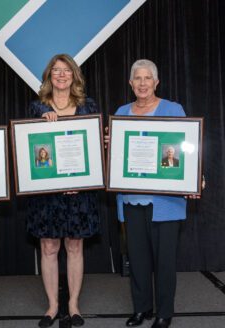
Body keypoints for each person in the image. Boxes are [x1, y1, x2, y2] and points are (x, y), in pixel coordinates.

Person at [106, 59, 201, 328]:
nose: (143, 83)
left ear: (156, 82)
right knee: (137, 258)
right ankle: (142, 308)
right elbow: (118, 157)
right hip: (131, 198)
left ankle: (164, 312)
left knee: (165, 260)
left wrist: (196, 177)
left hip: (166, 201)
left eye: (148, 78)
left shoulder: (173, 109)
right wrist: (109, 145)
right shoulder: (121, 112)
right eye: (138, 78)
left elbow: (187, 147)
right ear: (130, 83)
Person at [27, 54, 100, 328]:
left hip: (79, 193)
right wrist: (41, 126)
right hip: (47, 193)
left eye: (66, 70)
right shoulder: (37, 109)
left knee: (74, 246)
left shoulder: (87, 106)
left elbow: (93, 151)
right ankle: (52, 306)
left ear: (74, 76)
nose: (61, 75)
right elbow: (31, 152)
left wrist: (80, 181)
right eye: (55, 71)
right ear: (49, 76)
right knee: (48, 246)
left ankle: (73, 305)